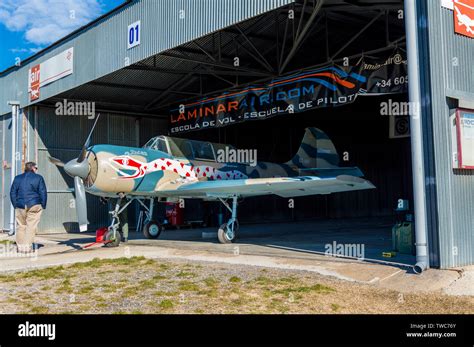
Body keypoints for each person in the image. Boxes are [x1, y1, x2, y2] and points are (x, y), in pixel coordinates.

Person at [10, 162, 47, 253]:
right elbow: (43, 192)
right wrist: (43, 204)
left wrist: (16, 204)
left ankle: (20, 247)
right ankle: (26, 248)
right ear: (33, 168)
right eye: (36, 168)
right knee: (31, 226)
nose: (36, 170)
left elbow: (12, 192)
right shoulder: (39, 178)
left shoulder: (17, 178)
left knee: (21, 226)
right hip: (34, 204)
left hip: (20, 205)